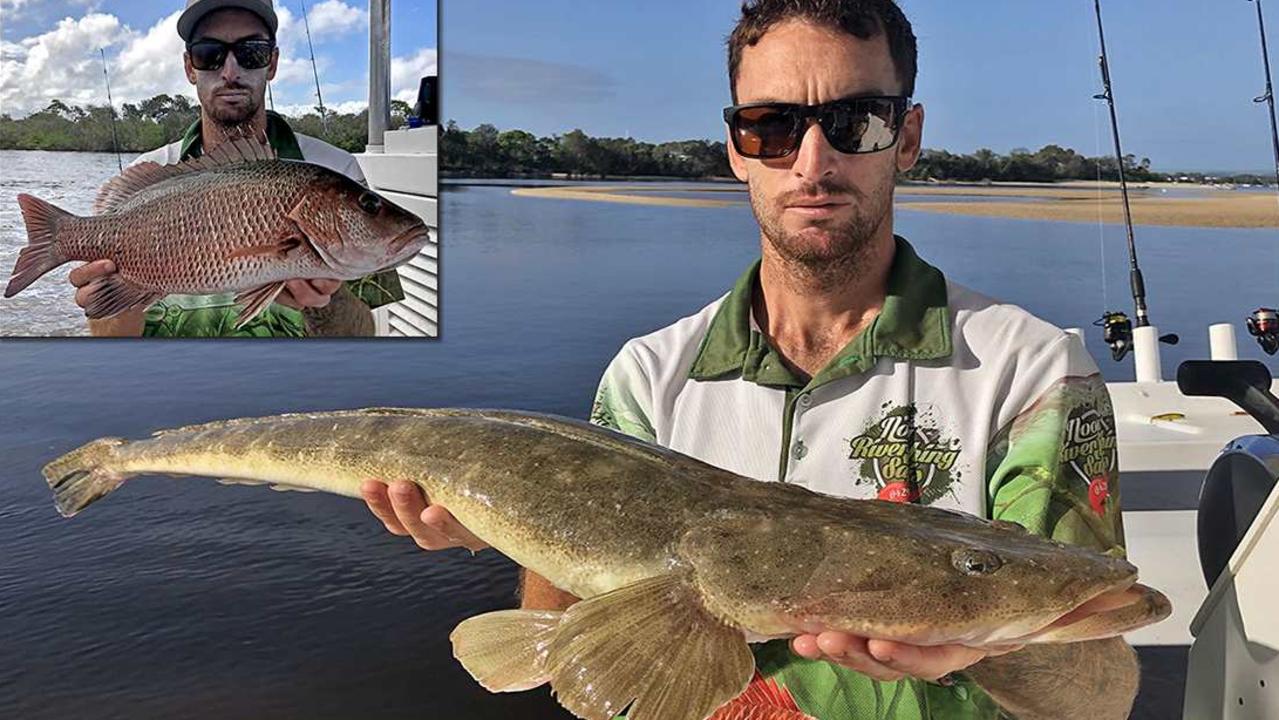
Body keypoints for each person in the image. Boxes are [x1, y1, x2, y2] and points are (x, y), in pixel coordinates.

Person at [362, 1, 1139, 717]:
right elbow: (560, 634)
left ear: (906, 136)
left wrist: (986, 648)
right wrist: (495, 519)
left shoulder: (1029, 369)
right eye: (770, 125)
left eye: (855, 120)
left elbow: (1100, 695)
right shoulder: (649, 374)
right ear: (736, 148)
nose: (811, 162)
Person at [74, 0, 403, 337]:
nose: (230, 72)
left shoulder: (339, 169)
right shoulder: (148, 176)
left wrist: (325, 302)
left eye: (252, 52)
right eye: (208, 53)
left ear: (272, 63)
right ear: (190, 67)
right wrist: (112, 300)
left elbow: (364, 337)